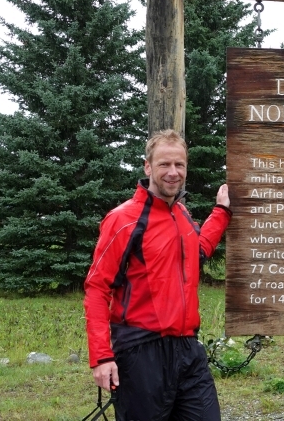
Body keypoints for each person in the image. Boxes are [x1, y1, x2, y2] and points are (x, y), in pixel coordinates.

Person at [84, 129, 231, 420]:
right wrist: (101, 357)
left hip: (188, 349)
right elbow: (97, 289)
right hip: (141, 352)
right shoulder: (123, 220)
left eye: (179, 165)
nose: (173, 172)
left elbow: (197, 251)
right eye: (164, 164)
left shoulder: (183, 215)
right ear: (148, 166)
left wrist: (222, 211)